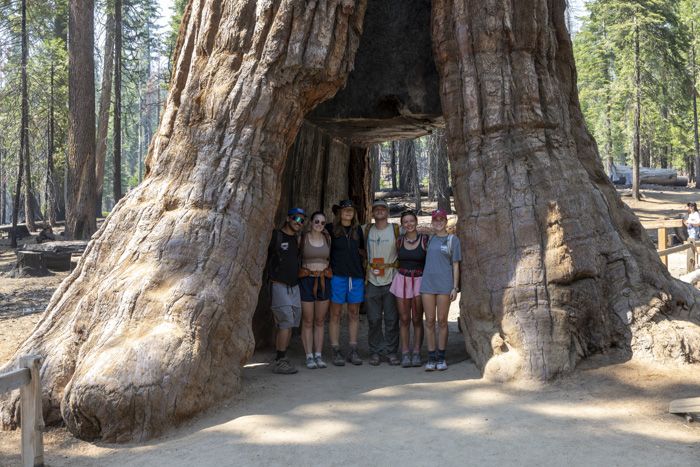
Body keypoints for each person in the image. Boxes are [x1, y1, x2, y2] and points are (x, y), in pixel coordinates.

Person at [420, 209, 461, 371]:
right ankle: (431, 357)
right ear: (432, 222)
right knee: (429, 321)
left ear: (445, 221)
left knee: (442, 321)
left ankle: (441, 357)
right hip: (428, 285)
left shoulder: (453, 240)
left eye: (441, 219)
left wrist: (455, 287)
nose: (438, 222)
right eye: (435, 220)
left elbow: (456, 265)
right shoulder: (429, 240)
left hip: (445, 285)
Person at [267, 208, 306, 374]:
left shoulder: (297, 239)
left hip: (294, 286)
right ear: (288, 218)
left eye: (302, 220)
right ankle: (279, 360)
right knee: (285, 322)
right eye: (296, 218)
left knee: (291, 324)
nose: (299, 222)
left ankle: (282, 357)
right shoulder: (276, 236)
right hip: (279, 285)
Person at [327, 199, 365, 366]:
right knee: (335, 314)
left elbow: (363, 252)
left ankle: (353, 349)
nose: (348, 212)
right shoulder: (330, 229)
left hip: (355, 276)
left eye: (351, 209)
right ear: (339, 212)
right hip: (337, 276)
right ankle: (335, 350)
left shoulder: (358, 230)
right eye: (345, 209)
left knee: (354, 313)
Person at [364, 200, 400, 366]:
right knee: (374, 319)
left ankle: (392, 352)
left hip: (391, 279)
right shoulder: (366, 229)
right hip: (372, 280)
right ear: (372, 212)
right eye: (376, 209)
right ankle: (376, 351)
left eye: (382, 208)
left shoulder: (395, 230)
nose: (379, 211)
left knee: (392, 319)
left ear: (387, 212)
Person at [390, 210, 428, 367]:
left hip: (420, 281)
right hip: (402, 280)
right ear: (402, 224)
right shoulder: (399, 241)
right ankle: (405, 352)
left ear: (416, 221)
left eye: (411, 221)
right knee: (404, 319)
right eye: (405, 222)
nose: (409, 224)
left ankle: (417, 352)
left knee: (418, 319)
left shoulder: (425, 240)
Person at [299, 211, 332, 369]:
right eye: (317, 221)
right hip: (306, 280)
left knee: (319, 321)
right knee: (307, 320)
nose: (319, 225)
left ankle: (318, 355)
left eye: (322, 223)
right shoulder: (303, 239)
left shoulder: (327, 238)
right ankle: (308, 355)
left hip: (324, 280)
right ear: (311, 222)